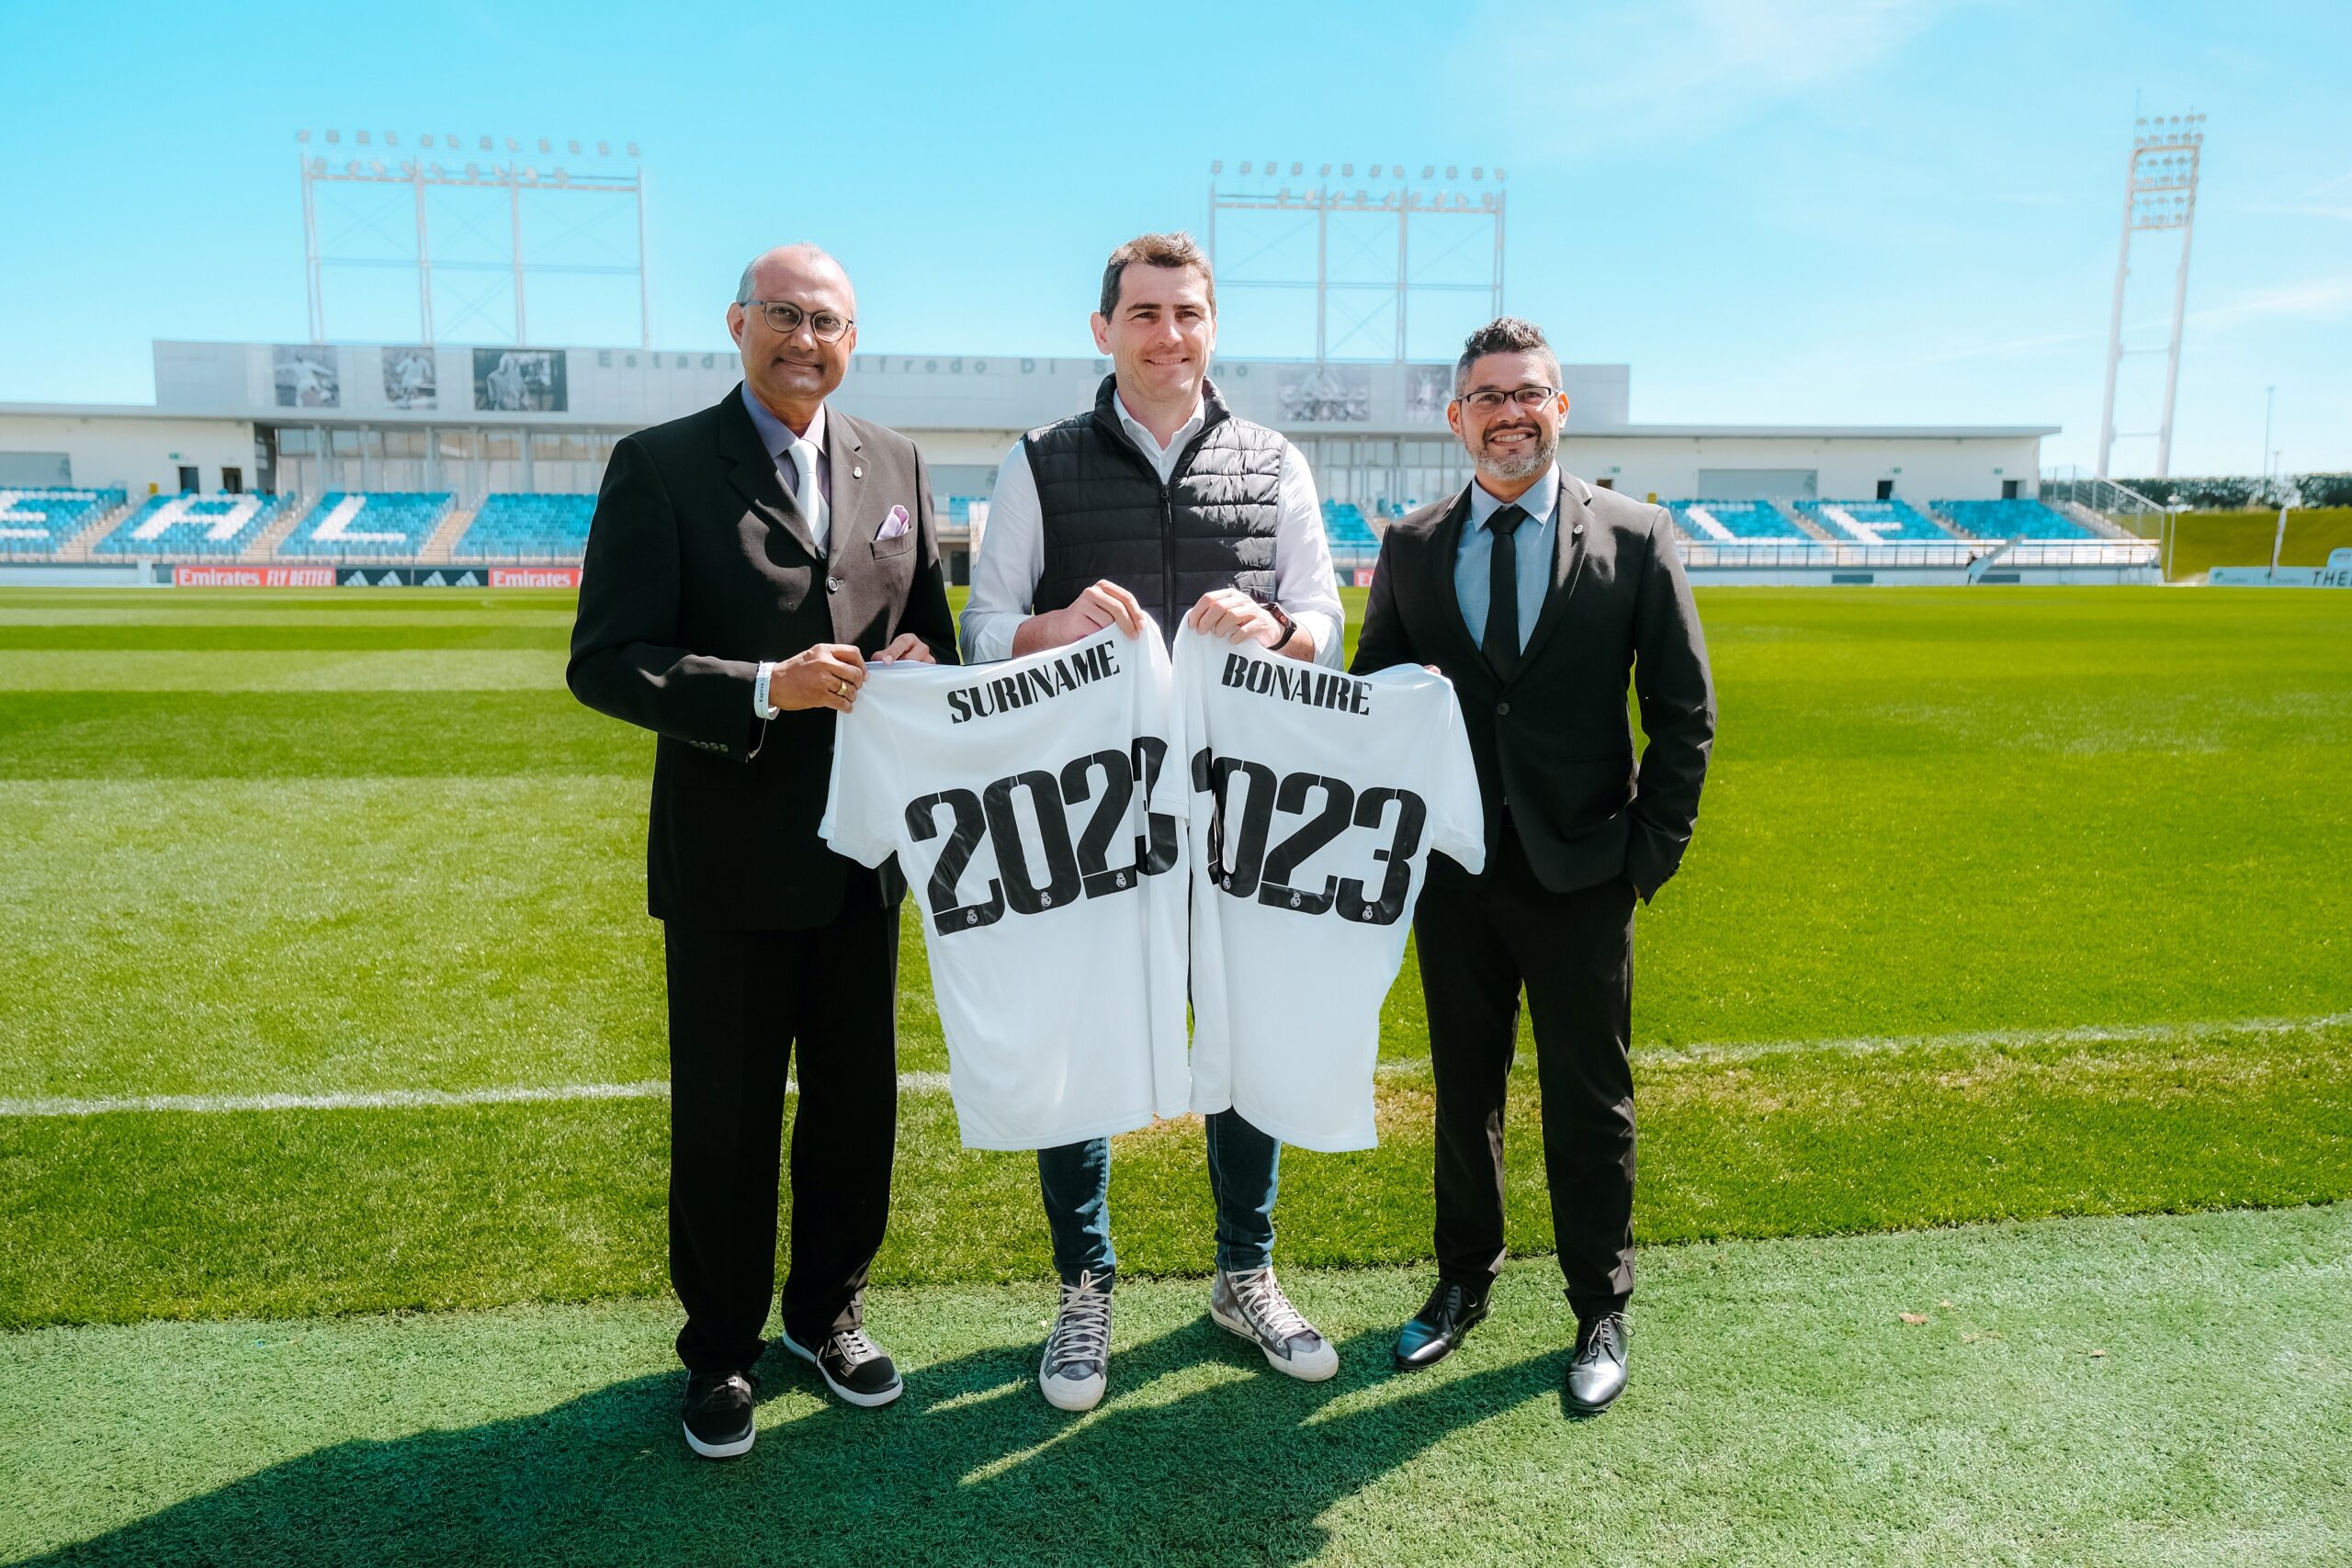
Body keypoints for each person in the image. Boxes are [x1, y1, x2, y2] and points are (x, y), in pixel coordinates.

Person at [568, 243, 957, 1459]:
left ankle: (826, 1315)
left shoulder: (896, 460)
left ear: (854, 339)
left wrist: (919, 662)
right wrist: (758, 687)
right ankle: (720, 1348)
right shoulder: (661, 464)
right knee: (726, 1121)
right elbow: (605, 659)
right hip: (729, 862)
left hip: (863, 857)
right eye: (782, 314)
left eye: (826, 320)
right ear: (736, 323)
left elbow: (931, 632)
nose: (804, 338)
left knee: (856, 1111)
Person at [961, 231, 1348, 1412]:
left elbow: (1326, 616)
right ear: (1103, 329)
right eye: (1144, 313)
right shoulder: (1038, 462)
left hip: (1238, 810)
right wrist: (1053, 627)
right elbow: (983, 628)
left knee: (1243, 1031)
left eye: (1187, 313)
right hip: (1092, 815)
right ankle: (1084, 1289)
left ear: (1212, 326)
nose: (1168, 334)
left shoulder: (1273, 459)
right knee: (1078, 1038)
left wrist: (1279, 630)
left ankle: (1244, 1273)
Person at [1351, 316, 1714, 1416]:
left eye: (1528, 394)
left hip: (1584, 871)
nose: (1508, 413)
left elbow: (1683, 713)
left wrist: (1644, 857)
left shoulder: (1636, 536)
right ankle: (1462, 1282)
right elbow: (1374, 701)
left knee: (1589, 1099)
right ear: (1456, 417)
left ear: (1559, 409)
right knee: (1463, 1094)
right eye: (1487, 396)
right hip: (1454, 875)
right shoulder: (1411, 545)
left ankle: (1599, 1305)